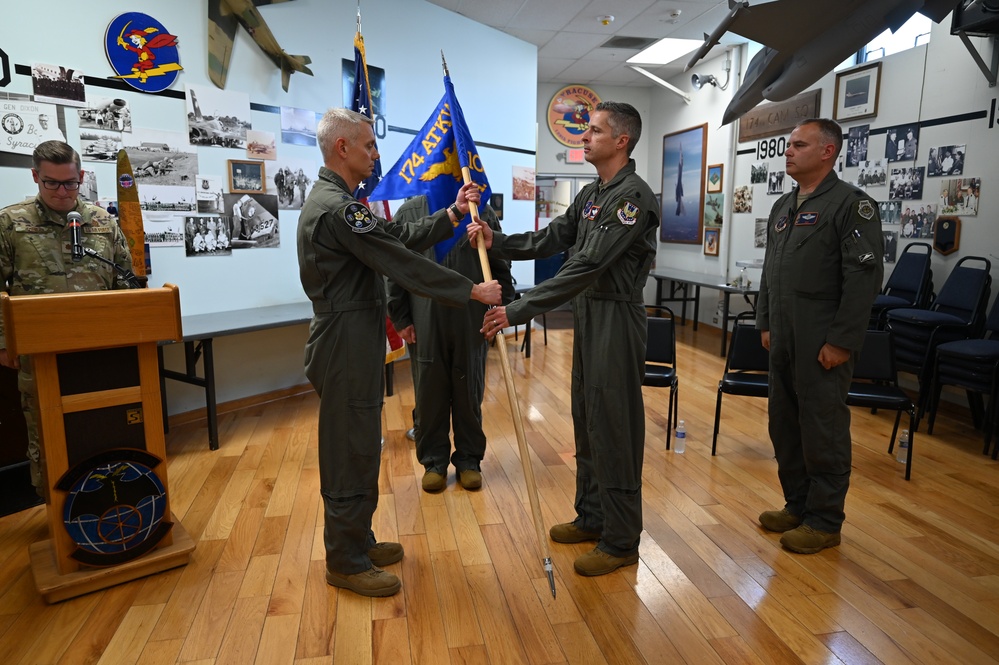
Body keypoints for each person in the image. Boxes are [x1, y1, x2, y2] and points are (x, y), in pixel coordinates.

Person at [296, 108, 501, 598]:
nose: (376, 153)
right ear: (341, 148)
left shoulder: (343, 202)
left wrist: (450, 215)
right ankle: (344, 560)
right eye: (367, 145)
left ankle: (358, 539)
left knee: (363, 442)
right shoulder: (337, 207)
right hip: (345, 339)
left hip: (355, 335)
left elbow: (393, 237)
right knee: (349, 448)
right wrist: (469, 291)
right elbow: (400, 262)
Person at [467, 101, 659, 577]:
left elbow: (587, 265)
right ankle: (592, 517)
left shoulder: (632, 197)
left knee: (614, 428)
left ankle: (621, 540)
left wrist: (515, 309)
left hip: (615, 317)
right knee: (587, 419)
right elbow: (555, 237)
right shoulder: (595, 192)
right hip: (591, 315)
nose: (584, 137)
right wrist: (500, 241)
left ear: (622, 141)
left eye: (594, 131)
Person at [756, 118, 884, 554]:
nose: (788, 152)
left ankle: (825, 521)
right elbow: (771, 272)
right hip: (784, 336)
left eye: (798, 145)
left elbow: (862, 279)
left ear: (827, 151)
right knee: (784, 424)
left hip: (821, 340)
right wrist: (765, 322)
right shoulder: (782, 207)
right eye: (788, 145)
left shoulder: (852, 205)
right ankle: (798, 505)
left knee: (822, 429)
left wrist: (843, 341)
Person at [0, 140, 134, 494]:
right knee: (45, 429)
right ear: (35, 177)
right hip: (39, 348)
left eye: (70, 183)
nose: (62, 192)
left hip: (100, 347)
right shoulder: (12, 221)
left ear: (81, 177)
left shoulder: (102, 221)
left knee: (102, 422)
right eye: (52, 183)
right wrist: (3, 341)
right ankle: (55, 503)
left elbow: (124, 279)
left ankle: (107, 496)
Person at [387, 197, 514, 494]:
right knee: (430, 392)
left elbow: (498, 263)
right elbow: (394, 267)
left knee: (468, 390)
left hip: (471, 317)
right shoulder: (410, 212)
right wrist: (401, 316)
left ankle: (469, 460)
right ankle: (434, 462)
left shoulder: (479, 211)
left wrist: (503, 308)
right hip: (425, 315)